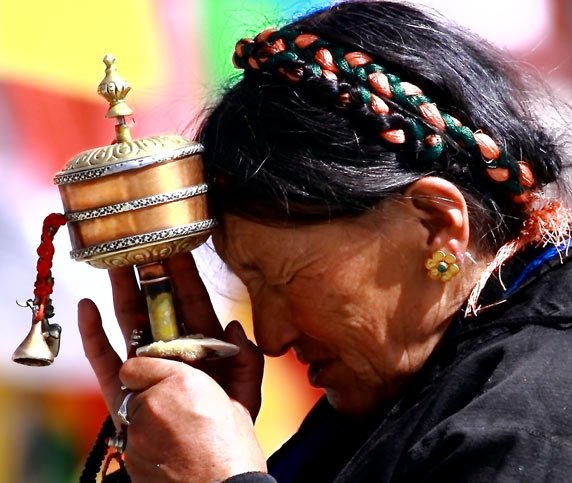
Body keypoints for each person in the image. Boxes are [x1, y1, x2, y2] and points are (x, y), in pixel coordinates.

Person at [78, 1, 572, 481]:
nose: (270, 339)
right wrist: (169, 456)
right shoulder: (390, 404)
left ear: (435, 224)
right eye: (251, 283)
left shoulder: (533, 420)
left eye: (287, 277)